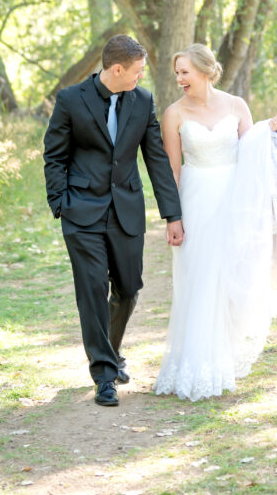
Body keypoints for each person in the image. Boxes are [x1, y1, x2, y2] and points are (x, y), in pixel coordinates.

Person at [154, 43, 277, 402]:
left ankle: (223, 356)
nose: (179, 79)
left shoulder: (235, 105)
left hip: (234, 200)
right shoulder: (173, 114)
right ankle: (197, 364)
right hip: (196, 199)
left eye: (184, 72)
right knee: (200, 278)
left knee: (232, 276)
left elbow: (252, 150)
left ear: (203, 71)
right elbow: (171, 168)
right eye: (177, 73)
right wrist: (173, 217)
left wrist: (271, 130)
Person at [44, 34, 184, 407]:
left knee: (128, 288)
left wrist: (173, 213)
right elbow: (54, 155)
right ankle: (104, 375)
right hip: (81, 213)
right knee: (91, 292)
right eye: (137, 71)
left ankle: (110, 351)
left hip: (126, 210)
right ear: (117, 69)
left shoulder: (143, 101)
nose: (142, 77)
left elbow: (155, 159)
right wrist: (60, 203)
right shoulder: (71, 100)